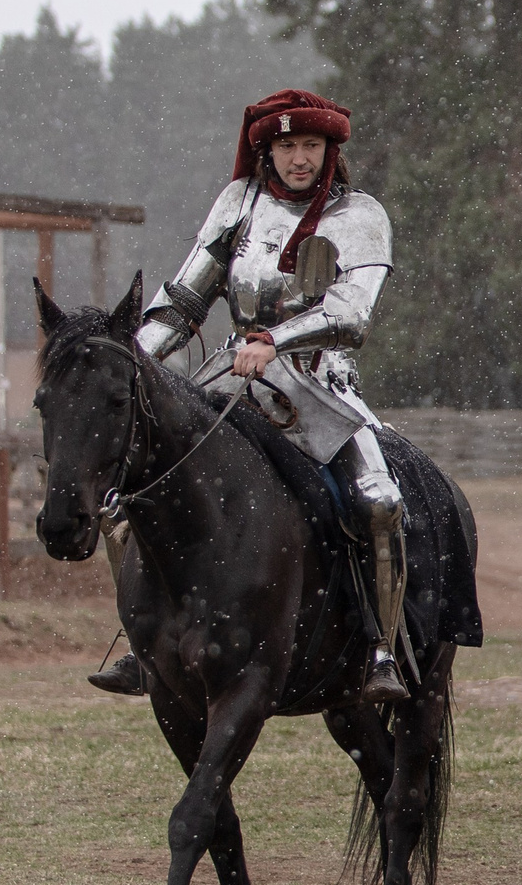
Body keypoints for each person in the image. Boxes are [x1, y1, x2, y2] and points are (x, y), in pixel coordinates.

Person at [89, 90, 407, 703]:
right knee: (125, 495)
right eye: (287, 146)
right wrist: (128, 359)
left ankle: (380, 649)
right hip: (231, 379)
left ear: (330, 150)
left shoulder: (360, 214)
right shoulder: (238, 203)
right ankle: (142, 638)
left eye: (310, 146)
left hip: (322, 387)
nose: (298, 159)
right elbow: (184, 302)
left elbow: (353, 315)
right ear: (268, 150)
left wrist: (275, 338)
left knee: (378, 500)